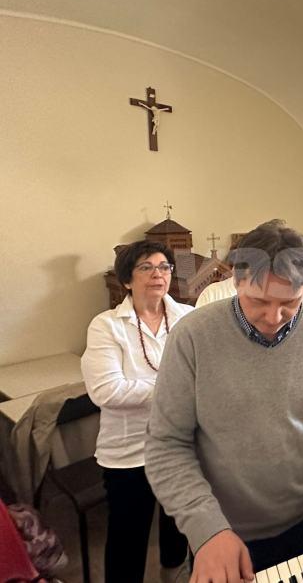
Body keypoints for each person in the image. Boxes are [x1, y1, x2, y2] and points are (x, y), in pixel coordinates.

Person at [145, 221, 303, 581]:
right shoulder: (192, 337)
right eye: (258, 301)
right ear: (236, 282)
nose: (274, 318)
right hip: (226, 534)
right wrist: (205, 528)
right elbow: (167, 445)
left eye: (290, 302)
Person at [81, 240, 192, 583]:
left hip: (181, 443)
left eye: (164, 267)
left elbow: (206, 372)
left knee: (178, 523)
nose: (158, 274)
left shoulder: (188, 319)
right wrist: (175, 390)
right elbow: (107, 390)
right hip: (130, 451)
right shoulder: (107, 326)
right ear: (127, 279)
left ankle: (172, 572)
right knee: (128, 537)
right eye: (146, 267)